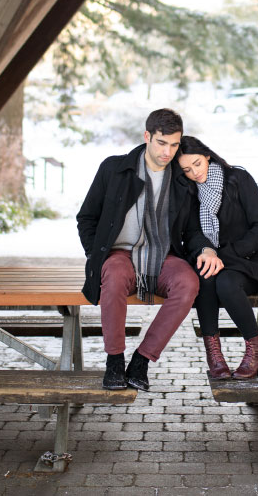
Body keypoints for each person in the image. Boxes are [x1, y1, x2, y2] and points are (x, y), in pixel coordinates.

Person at [77, 108, 200, 392]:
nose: (167, 152)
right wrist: (95, 254)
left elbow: (192, 229)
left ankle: (141, 360)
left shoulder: (181, 180)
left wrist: (204, 249)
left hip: (163, 254)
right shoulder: (115, 169)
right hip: (120, 253)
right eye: (161, 142)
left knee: (188, 282)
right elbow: (87, 217)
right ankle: (115, 361)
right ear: (147, 136)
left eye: (174, 144)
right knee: (116, 275)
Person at [177, 135, 258, 380]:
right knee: (206, 278)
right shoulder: (189, 191)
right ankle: (214, 355)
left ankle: (255, 349)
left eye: (197, 164)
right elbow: (191, 233)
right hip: (212, 261)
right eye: (187, 169)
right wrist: (206, 251)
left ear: (207, 155)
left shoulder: (238, 179)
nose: (194, 173)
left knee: (225, 282)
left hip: (247, 262)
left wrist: (227, 255)